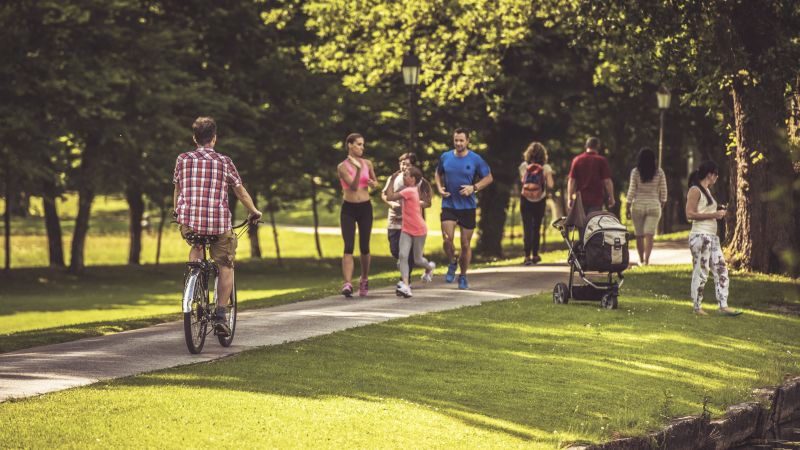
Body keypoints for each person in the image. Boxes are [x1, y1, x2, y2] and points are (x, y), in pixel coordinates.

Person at [173, 117, 262, 336]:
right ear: (214, 138)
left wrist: (178, 212)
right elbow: (239, 191)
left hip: (190, 222)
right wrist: (253, 212)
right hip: (218, 223)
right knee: (225, 264)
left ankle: (193, 285)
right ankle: (221, 314)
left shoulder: (182, 159)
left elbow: (178, 189)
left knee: (196, 243)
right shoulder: (224, 161)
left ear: (195, 138)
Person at [435, 127, 493, 289]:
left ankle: (463, 275)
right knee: (447, 239)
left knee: (465, 244)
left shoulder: (475, 159)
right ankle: (453, 261)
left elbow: (488, 178)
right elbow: (437, 174)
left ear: (467, 141)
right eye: (456, 140)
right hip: (449, 204)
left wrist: (473, 188)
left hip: (467, 207)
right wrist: (439, 188)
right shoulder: (445, 157)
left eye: (461, 140)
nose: (458, 143)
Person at [685, 160, 741, 316]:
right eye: (715, 174)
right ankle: (697, 307)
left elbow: (703, 210)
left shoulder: (707, 191)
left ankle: (723, 305)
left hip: (712, 237)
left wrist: (718, 211)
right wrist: (714, 215)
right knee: (701, 271)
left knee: (721, 269)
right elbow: (689, 214)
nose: (717, 177)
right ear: (709, 174)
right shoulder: (695, 190)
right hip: (700, 236)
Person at [337, 133, 379, 298]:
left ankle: (364, 278)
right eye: (359, 144)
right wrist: (359, 170)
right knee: (348, 246)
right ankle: (347, 283)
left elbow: (375, 183)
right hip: (348, 208)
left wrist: (373, 183)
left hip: (365, 208)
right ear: (350, 145)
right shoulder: (342, 166)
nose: (362, 147)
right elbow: (353, 187)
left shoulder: (367, 163)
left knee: (364, 247)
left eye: (363, 144)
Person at [384, 166, 436, 298]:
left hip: (419, 230)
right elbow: (407, 207)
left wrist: (392, 180)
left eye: (406, 175)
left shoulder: (409, 191)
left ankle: (429, 268)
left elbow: (389, 196)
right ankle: (406, 286)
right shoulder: (410, 191)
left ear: (413, 179)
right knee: (402, 256)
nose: (403, 176)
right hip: (406, 229)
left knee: (418, 259)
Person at [625, 148, 667, 265]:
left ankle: (641, 260)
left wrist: (627, 206)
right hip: (654, 205)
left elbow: (632, 190)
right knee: (649, 234)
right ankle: (647, 261)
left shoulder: (635, 172)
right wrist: (662, 203)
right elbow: (663, 190)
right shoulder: (659, 172)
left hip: (638, 205)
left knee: (639, 235)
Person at [518, 142, 555, 265]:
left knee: (527, 227)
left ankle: (526, 256)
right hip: (540, 199)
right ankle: (535, 254)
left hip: (525, 199)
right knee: (536, 227)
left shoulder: (524, 166)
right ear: (543, 154)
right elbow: (550, 185)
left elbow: (523, 182)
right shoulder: (546, 167)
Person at [567, 137, 615, 214]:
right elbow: (607, 181)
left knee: (582, 225)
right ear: (598, 147)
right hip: (596, 200)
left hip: (580, 200)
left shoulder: (577, 160)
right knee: (593, 224)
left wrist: (569, 198)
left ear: (586, 146)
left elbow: (572, 180)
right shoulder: (601, 160)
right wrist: (611, 197)